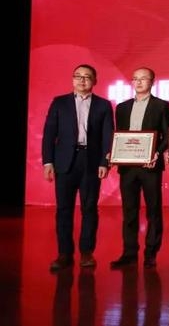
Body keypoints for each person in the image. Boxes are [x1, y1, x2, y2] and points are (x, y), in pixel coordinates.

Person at [42, 64, 114, 271]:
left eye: (87, 77)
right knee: (63, 209)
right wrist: (48, 162)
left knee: (89, 208)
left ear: (95, 81)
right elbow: (49, 134)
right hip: (65, 162)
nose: (82, 80)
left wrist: (105, 162)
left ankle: (86, 252)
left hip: (91, 161)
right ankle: (64, 253)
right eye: (78, 76)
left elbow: (108, 136)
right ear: (73, 79)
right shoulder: (59, 103)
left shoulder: (103, 105)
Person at [111, 67, 169, 269]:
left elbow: (167, 135)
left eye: (143, 78)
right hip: (127, 167)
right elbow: (119, 136)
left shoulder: (161, 106)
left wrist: (156, 153)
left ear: (152, 82)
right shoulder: (122, 107)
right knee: (129, 211)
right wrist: (114, 153)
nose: (138, 82)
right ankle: (129, 253)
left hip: (150, 166)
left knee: (153, 210)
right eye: (135, 78)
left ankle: (151, 253)